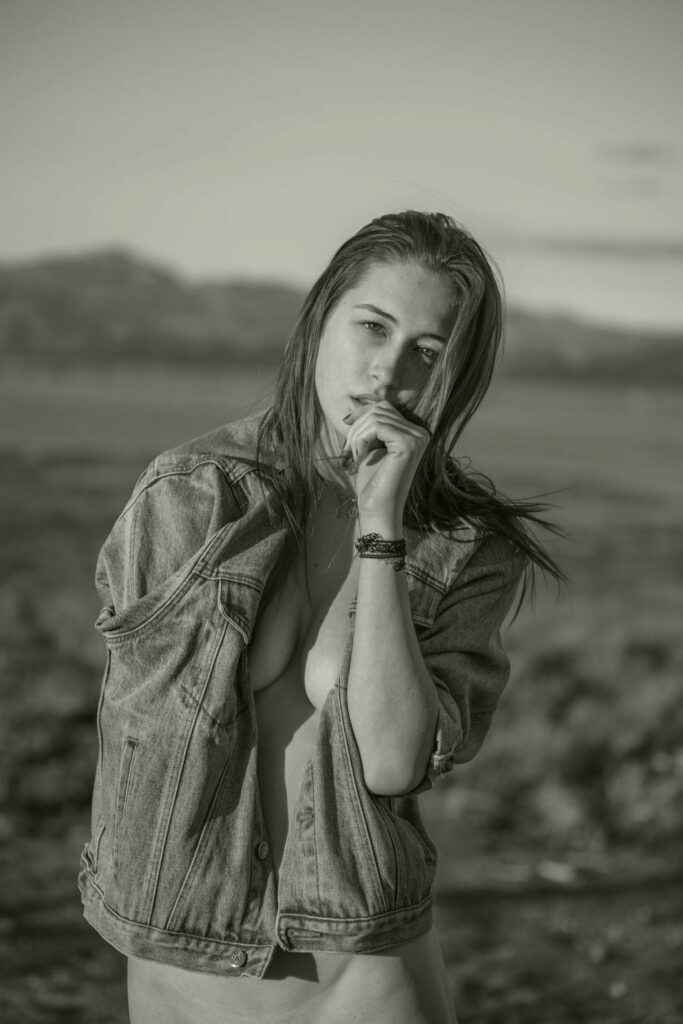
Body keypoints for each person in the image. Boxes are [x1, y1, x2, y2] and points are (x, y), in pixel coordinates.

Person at [78, 210, 566, 1023]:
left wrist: (382, 527)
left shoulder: (465, 544)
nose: (387, 374)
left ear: (456, 375)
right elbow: (148, 744)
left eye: (427, 351)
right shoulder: (192, 494)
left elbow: (392, 762)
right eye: (371, 327)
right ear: (319, 320)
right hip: (181, 971)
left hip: (364, 977)